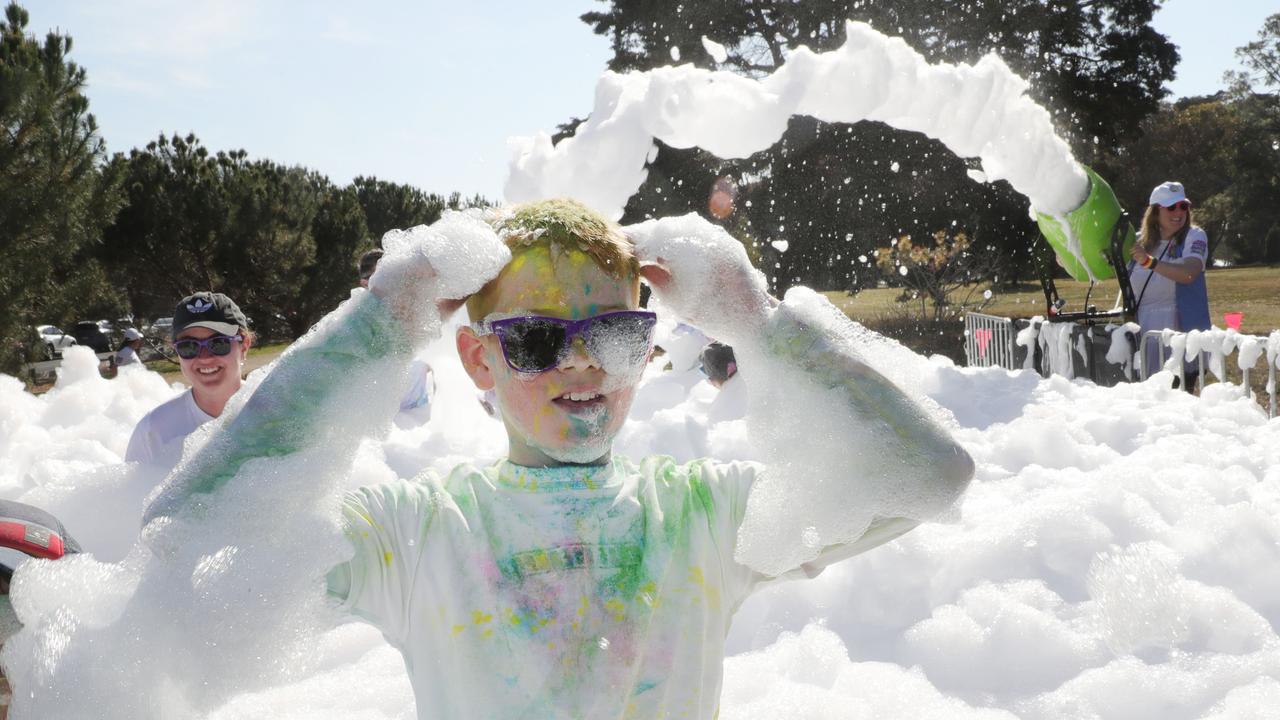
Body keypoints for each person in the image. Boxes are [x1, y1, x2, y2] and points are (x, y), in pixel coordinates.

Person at [144, 200, 973, 719]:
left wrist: (756, 320)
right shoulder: (419, 531)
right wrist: (369, 333)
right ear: (477, 362)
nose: (581, 366)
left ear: (645, 353)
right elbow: (184, 545)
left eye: (611, 335)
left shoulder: (700, 515)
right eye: (537, 340)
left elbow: (934, 474)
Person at [125, 292, 254, 467]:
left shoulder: (277, 410)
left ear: (244, 345)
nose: (205, 357)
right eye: (188, 346)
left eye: (218, 343)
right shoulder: (153, 430)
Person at [1128, 181, 1211, 391]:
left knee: (1178, 403)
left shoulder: (1194, 235)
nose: (1179, 212)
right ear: (1155, 212)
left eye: (1183, 206)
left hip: (1180, 335)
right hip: (1142, 337)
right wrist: (1068, 257)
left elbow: (1189, 272)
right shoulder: (1136, 241)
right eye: (1171, 207)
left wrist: (1149, 262)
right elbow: (1103, 266)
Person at [360, 248, 436, 416]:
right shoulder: (357, 318)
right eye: (381, 278)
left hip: (414, 414)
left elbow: (433, 357)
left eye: (390, 276)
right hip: (378, 412)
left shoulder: (409, 306)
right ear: (365, 283)